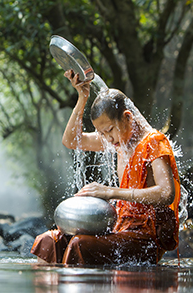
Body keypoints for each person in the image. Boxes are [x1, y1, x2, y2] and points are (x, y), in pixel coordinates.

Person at [31, 69, 181, 265]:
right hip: (120, 228)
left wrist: (110, 192)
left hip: (145, 238)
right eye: (102, 134)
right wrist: (82, 98)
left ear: (128, 117)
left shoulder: (153, 142)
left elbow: (165, 193)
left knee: (80, 245)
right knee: (48, 241)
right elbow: (71, 140)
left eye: (109, 130)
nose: (108, 139)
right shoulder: (118, 141)